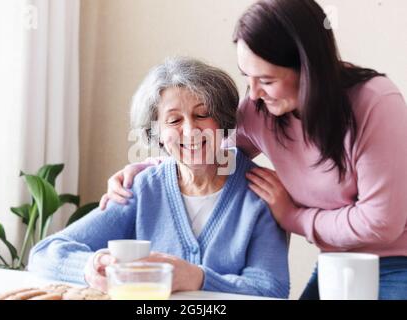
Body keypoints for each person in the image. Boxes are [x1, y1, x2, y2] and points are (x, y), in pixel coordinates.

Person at [101, 0, 407, 300]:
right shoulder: (261, 110)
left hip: (398, 262)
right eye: (247, 76)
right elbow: (209, 151)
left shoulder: (374, 103)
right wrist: (146, 169)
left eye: (266, 80)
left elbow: (381, 222)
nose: (254, 93)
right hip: (336, 262)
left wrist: (293, 216)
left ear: (308, 67)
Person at [28, 57, 290, 298]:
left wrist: (196, 278)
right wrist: (96, 265)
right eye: (174, 120)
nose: (190, 130)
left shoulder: (260, 192)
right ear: (158, 134)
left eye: (202, 115)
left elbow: (270, 287)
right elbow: (44, 253)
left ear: (222, 121)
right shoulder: (142, 188)